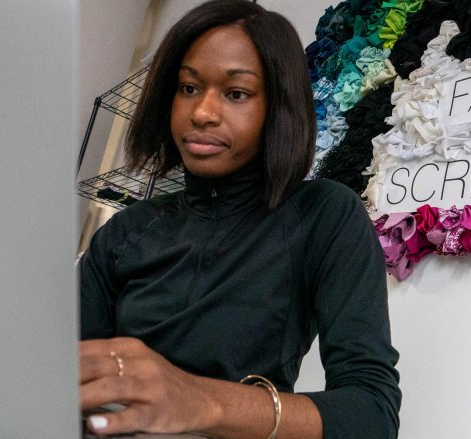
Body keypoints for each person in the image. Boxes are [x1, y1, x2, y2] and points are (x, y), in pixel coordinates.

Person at [77, 1, 401, 438]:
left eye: (236, 93)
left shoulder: (324, 214)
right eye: (188, 88)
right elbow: (72, 380)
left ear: (278, 108)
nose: (202, 112)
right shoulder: (124, 231)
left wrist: (199, 400)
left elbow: (371, 414)